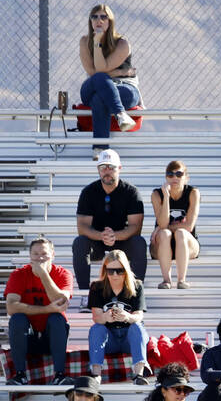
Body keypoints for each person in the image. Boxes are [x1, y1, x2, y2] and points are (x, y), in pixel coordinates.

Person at [72, 149, 147, 288]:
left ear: (119, 168)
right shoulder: (88, 192)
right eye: (103, 167)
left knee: (139, 242)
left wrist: (114, 236)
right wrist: (102, 236)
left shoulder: (131, 192)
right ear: (98, 169)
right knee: (80, 242)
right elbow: (82, 227)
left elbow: (135, 227)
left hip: (122, 241)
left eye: (111, 167)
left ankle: (136, 292)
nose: (107, 171)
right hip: (97, 241)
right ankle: (84, 293)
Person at [4, 237, 74, 386]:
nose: (40, 258)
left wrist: (43, 275)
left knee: (57, 318)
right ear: (30, 256)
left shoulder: (63, 274)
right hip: (28, 338)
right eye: (35, 254)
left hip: (52, 338)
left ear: (53, 255)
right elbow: (11, 307)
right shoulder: (19, 274)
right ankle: (20, 375)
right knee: (17, 319)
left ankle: (59, 375)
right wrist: (47, 308)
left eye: (44, 253)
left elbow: (61, 303)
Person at [78, 3, 140, 155]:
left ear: (110, 21)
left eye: (103, 17)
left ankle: (100, 149)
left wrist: (109, 74)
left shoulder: (123, 43)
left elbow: (100, 70)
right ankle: (120, 114)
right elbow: (96, 72)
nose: (98, 20)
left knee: (100, 98)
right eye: (94, 16)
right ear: (90, 21)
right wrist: (119, 72)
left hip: (123, 87)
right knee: (100, 79)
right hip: (93, 86)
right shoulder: (85, 41)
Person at [87, 250, 149, 384]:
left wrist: (127, 317)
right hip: (109, 339)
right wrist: (105, 317)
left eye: (119, 270)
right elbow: (96, 317)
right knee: (97, 328)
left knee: (137, 326)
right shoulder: (97, 287)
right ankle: (96, 375)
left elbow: (139, 315)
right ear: (105, 270)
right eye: (110, 271)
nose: (115, 275)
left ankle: (138, 375)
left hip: (129, 337)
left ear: (126, 270)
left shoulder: (137, 285)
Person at [149, 159, 200, 289]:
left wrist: (161, 228)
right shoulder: (157, 194)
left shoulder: (193, 193)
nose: (174, 177)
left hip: (187, 246)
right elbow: (163, 223)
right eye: (170, 174)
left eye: (179, 174)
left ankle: (181, 280)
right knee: (165, 233)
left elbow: (189, 226)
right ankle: (166, 280)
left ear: (186, 177)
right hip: (162, 245)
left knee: (181, 232)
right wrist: (166, 197)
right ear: (166, 177)